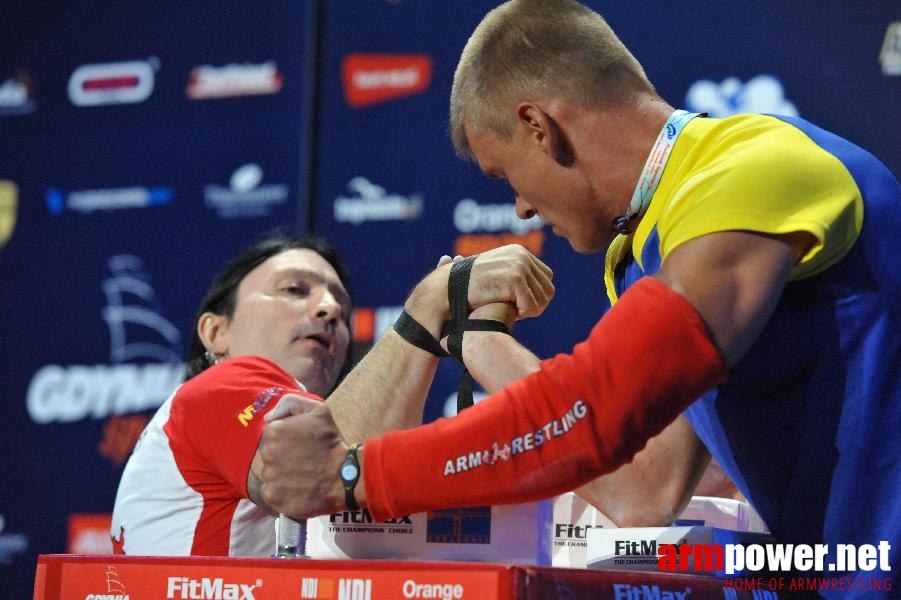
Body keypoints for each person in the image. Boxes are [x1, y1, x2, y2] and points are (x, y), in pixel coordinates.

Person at [258, 0, 901, 594]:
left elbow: (599, 403)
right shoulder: (640, 251)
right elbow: (640, 491)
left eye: (503, 173)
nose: (521, 206)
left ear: (539, 126)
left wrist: (356, 473)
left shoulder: (756, 167)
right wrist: (480, 339)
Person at [110, 231, 554, 556]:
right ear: (215, 330)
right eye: (293, 290)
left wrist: (479, 339)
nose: (329, 310)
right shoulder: (213, 390)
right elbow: (317, 472)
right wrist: (431, 304)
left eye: (340, 308)